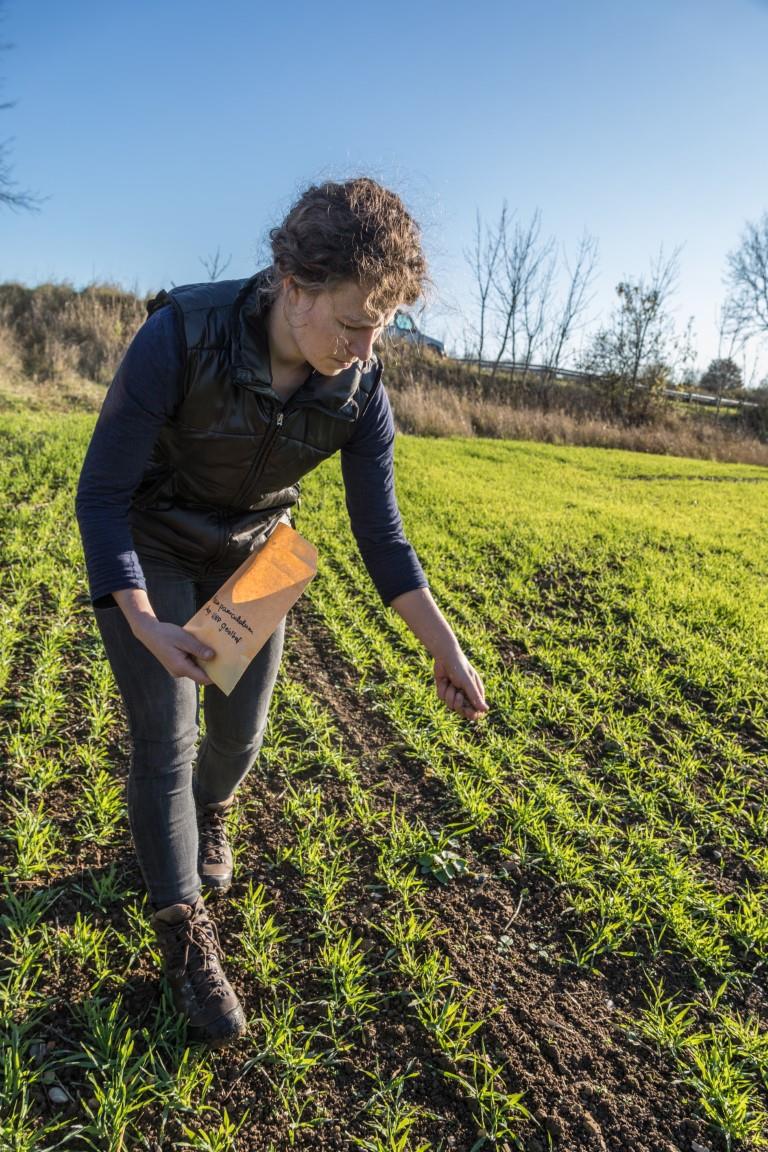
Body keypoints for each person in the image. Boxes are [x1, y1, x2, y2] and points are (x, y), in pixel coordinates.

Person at [75, 177, 488, 1047]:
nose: (369, 346)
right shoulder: (180, 335)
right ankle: (184, 937)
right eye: (352, 322)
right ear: (292, 285)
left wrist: (443, 648)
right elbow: (103, 492)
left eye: (384, 325)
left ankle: (211, 813)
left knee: (239, 737)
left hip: (260, 557)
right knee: (169, 736)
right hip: (153, 543)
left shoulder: (359, 384)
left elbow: (382, 535)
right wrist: (145, 622)